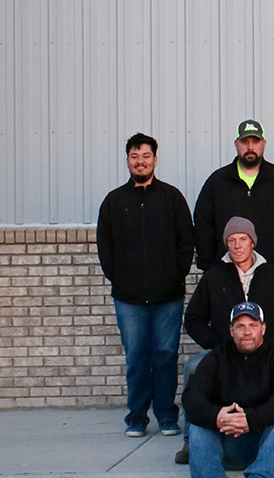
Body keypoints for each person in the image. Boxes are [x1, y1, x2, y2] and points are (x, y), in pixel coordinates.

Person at [96, 132, 194, 437]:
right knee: (136, 356)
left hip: (168, 296)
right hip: (129, 298)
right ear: (127, 160)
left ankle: (166, 415)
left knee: (165, 355)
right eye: (135, 156)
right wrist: (121, 278)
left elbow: (185, 242)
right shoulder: (114, 201)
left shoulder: (172, 197)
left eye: (146, 156)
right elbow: (105, 246)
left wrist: (175, 276)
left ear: (155, 159)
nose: (140, 161)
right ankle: (137, 417)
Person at [178, 217, 274, 463]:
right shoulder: (214, 277)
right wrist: (218, 347)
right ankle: (192, 440)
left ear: (252, 242)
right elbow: (193, 318)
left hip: (265, 352)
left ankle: (260, 428)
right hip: (225, 353)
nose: (237, 245)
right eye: (231, 241)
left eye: (242, 239)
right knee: (194, 366)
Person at [183, 302, 274, 478]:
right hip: (229, 441)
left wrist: (250, 419)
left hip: (270, 445)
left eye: (253, 326)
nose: (247, 332)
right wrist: (217, 416)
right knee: (198, 425)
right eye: (240, 326)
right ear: (231, 331)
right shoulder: (217, 357)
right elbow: (192, 397)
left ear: (263, 328)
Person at [193, 120, 274, 279]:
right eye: (245, 141)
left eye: (255, 141)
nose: (250, 147)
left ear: (263, 143)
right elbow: (203, 225)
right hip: (227, 279)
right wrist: (211, 266)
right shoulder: (217, 182)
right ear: (236, 144)